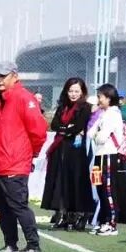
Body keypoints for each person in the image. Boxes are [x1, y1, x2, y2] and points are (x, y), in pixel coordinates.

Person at [0, 61, 47, 252]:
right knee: (2, 207)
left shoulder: (23, 98)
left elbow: (39, 131)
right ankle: (10, 244)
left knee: (18, 206)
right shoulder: (0, 100)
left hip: (15, 163)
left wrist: (31, 154)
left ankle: (33, 247)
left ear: (15, 76)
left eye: (3, 75)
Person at [41, 78, 95, 231]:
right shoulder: (63, 107)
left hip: (76, 150)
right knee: (59, 181)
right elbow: (55, 125)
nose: (73, 94)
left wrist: (66, 129)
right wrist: (67, 128)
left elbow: (78, 127)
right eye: (71, 91)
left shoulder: (85, 107)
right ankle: (61, 214)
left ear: (82, 92)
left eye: (76, 91)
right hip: (60, 148)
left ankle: (76, 215)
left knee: (75, 181)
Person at [87, 84, 126, 236]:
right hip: (99, 155)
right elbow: (90, 133)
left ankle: (111, 224)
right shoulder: (103, 113)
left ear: (109, 98)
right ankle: (103, 221)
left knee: (108, 189)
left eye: (100, 97)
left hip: (109, 155)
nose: (98, 100)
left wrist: (97, 133)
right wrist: (96, 132)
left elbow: (101, 137)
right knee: (99, 188)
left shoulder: (113, 114)